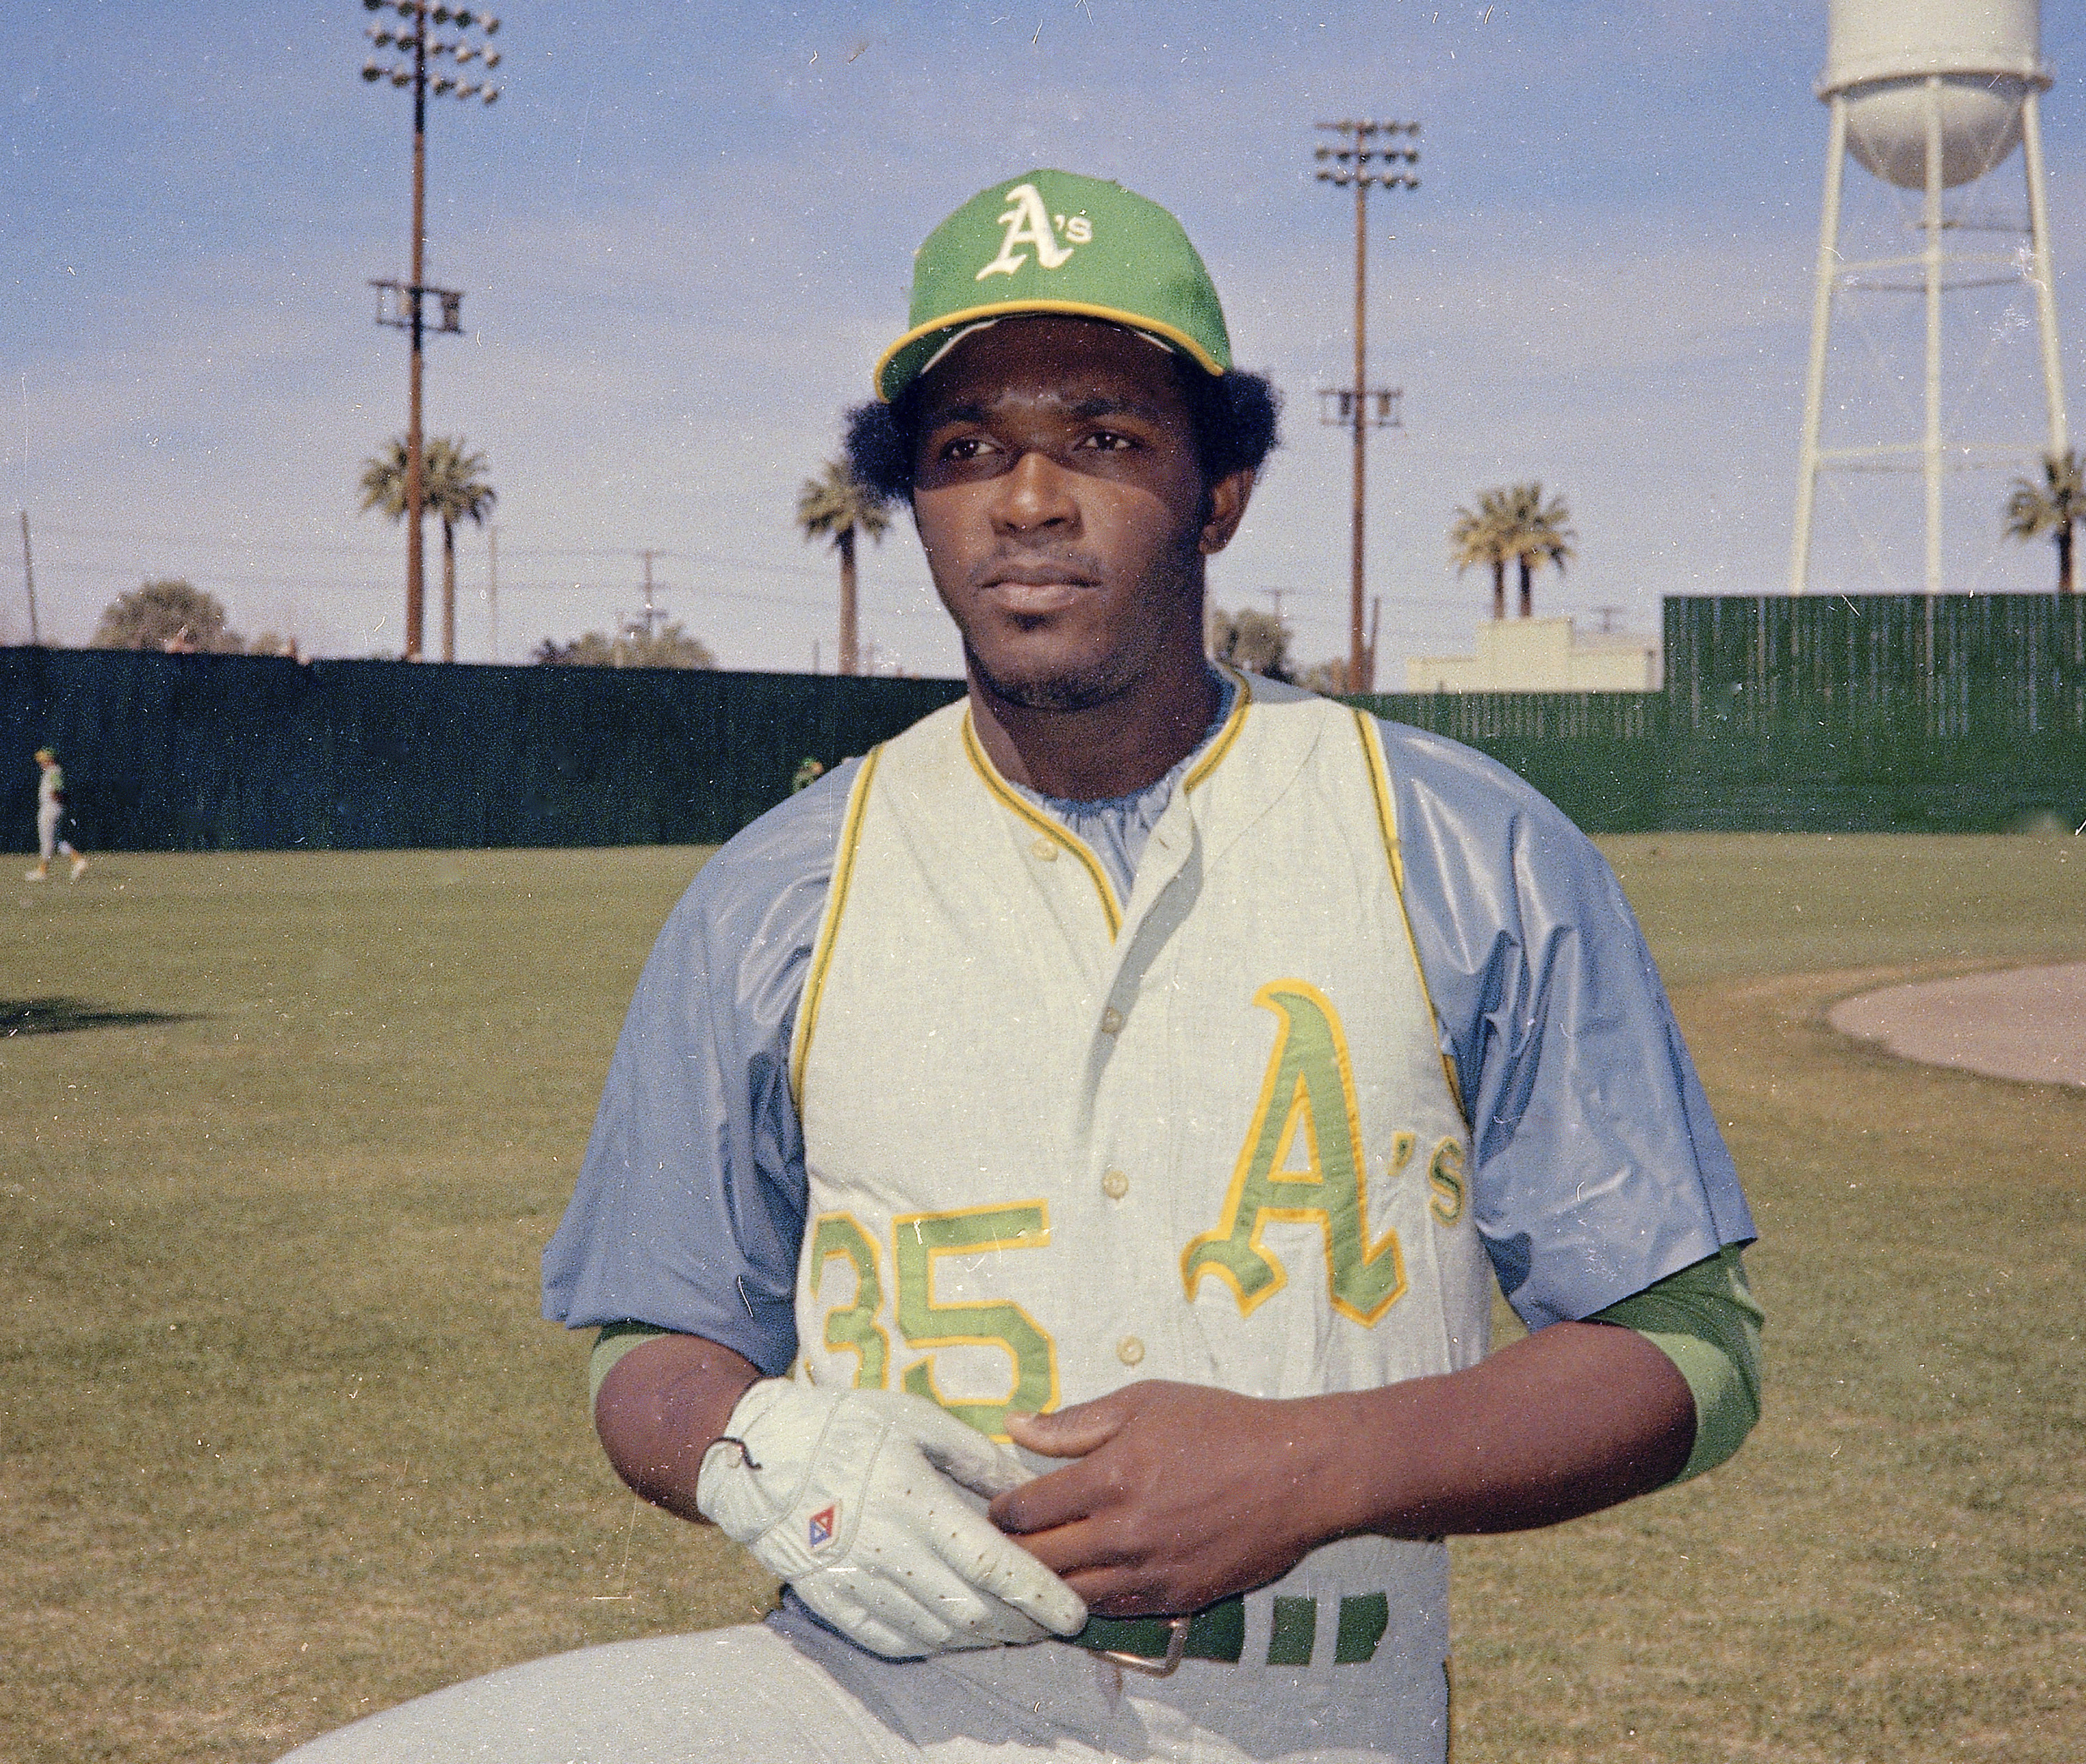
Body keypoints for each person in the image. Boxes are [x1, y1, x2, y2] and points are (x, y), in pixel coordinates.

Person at [280, 170, 1761, 1764]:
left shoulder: (1468, 846)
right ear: (912, 499)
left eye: (1107, 438)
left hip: (1308, 1713)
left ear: (1221, 491)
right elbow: (650, 1339)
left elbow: (1690, 1356)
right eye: (967, 450)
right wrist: (753, 1447)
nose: (1028, 498)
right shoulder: (781, 888)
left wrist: (1318, 1469)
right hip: (876, 1695)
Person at [26, 747, 88, 882]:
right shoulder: (52, 772)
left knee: (47, 840)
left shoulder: (54, 772)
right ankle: (78, 861)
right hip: (53, 808)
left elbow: (58, 790)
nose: (41, 763)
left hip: (50, 808)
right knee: (58, 841)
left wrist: (54, 796)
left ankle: (42, 871)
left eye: (43, 760)